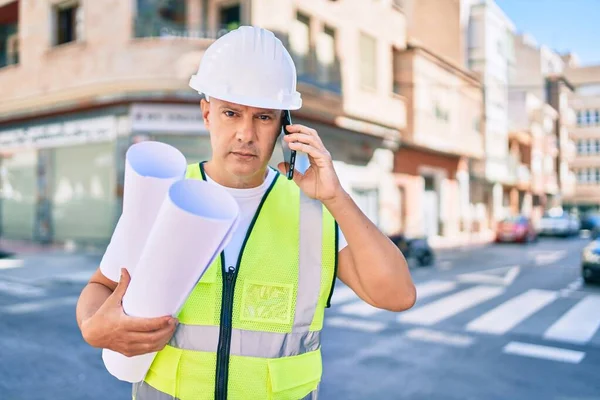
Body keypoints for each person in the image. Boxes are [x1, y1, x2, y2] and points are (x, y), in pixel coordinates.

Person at [76, 25, 416, 400]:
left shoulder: (312, 210)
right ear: (207, 113)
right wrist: (93, 328)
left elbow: (397, 295)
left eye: (264, 117)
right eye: (231, 113)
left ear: (284, 126)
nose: (245, 133)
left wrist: (336, 197)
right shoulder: (166, 194)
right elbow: (101, 286)